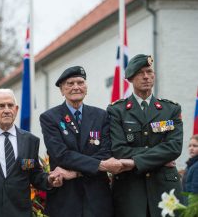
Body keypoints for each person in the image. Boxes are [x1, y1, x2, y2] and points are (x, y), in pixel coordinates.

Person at [0, 89, 63, 217]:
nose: (7, 110)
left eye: (10, 105)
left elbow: (34, 174)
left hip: (19, 211)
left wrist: (49, 180)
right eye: (1, 106)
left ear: (16, 109)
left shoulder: (30, 141)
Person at [107, 54, 183, 217]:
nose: (146, 76)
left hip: (165, 188)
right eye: (141, 73)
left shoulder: (171, 109)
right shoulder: (117, 110)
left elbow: (174, 148)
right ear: (130, 78)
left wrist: (133, 161)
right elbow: (119, 150)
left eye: (149, 71)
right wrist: (160, 156)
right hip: (131, 190)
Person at [40, 66, 120, 217]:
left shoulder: (101, 115)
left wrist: (75, 173)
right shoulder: (50, 118)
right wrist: (99, 165)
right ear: (62, 91)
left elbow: (106, 152)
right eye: (70, 84)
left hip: (97, 199)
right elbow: (61, 155)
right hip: (65, 200)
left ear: (86, 87)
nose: (76, 87)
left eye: (80, 82)